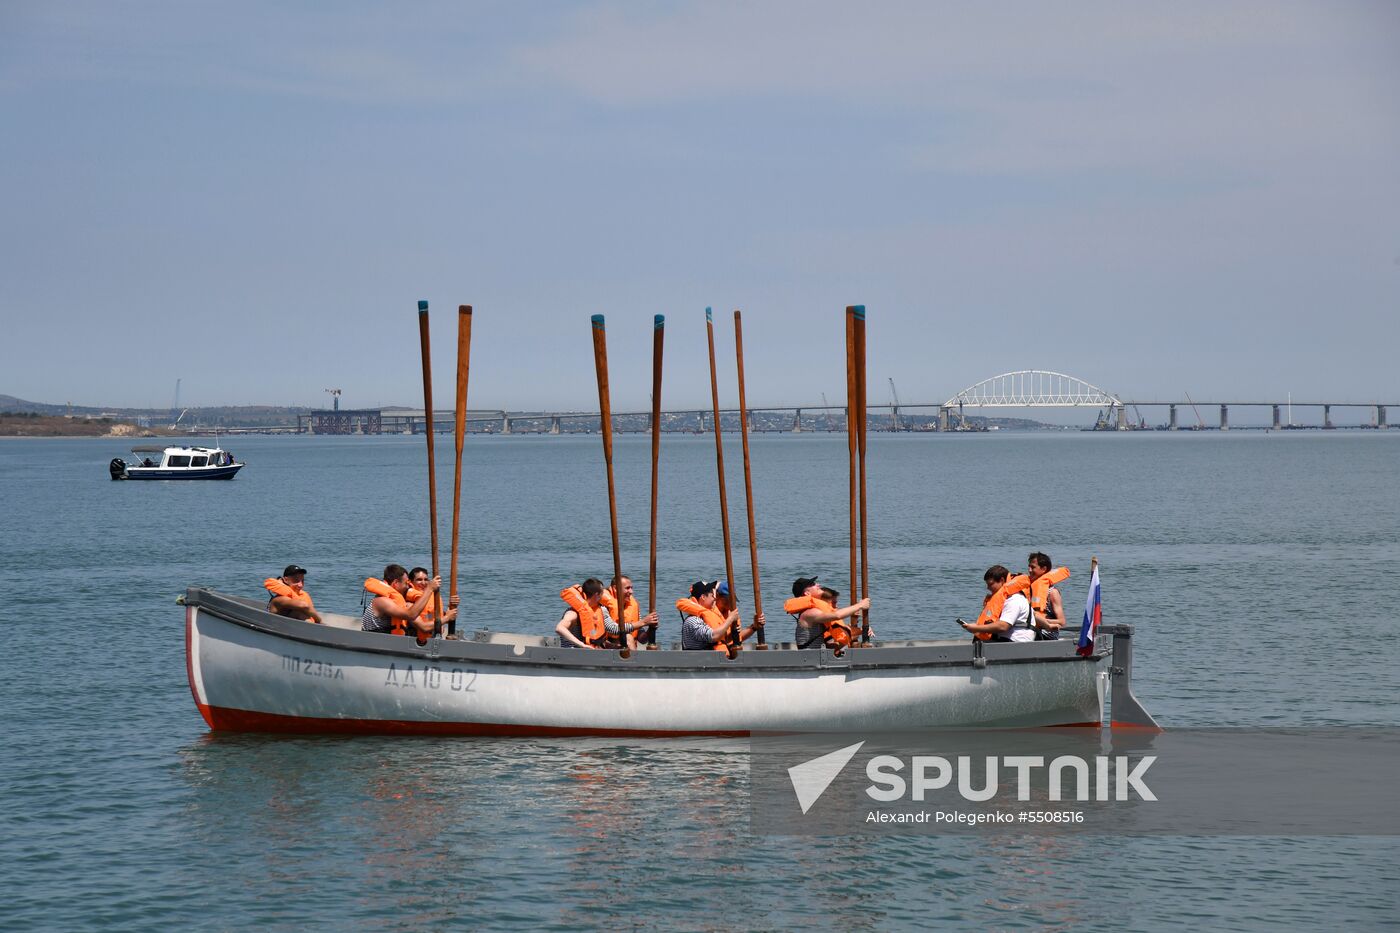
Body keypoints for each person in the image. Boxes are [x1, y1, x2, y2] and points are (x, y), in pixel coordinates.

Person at [558, 578, 649, 649]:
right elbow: (560, 628)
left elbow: (610, 628)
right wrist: (582, 645)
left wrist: (614, 647)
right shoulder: (574, 612)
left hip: (592, 651)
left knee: (626, 640)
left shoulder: (601, 609)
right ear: (597, 595)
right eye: (602, 593)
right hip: (575, 652)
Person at [783, 576, 868, 649]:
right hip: (810, 658)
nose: (818, 584)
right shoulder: (809, 613)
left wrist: (862, 630)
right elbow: (837, 615)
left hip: (818, 656)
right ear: (807, 593)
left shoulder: (815, 611)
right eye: (812, 584)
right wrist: (860, 605)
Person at [676, 580, 764, 650]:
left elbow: (724, 640)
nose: (714, 598)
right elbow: (714, 636)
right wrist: (730, 620)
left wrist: (753, 627)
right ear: (703, 597)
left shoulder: (707, 617)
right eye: (712, 595)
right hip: (701, 664)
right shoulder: (693, 621)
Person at [362, 564, 440, 641]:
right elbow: (411, 615)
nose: (408, 587)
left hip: (386, 641)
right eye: (406, 583)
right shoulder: (382, 601)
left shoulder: (394, 600)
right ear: (396, 583)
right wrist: (429, 589)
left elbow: (424, 616)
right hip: (374, 642)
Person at [960, 565, 1033, 642]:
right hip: (1006, 639)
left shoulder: (1014, 600)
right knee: (978, 642)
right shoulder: (1005, 598)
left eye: (991, 584)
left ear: (1002, 580)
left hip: (1017, 641)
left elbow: (1003, 626)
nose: (988, 588)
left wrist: (975, 628)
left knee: (979, 645)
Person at [601, 576, 660, 647]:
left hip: (629, 647)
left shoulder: (633, 604)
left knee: (629, 638)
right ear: (615, 588)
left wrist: (651, 629)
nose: (631, 592)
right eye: (627, 588)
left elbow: (642, 640)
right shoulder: (603, 606)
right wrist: (643, 622)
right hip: (608, 646)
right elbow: (612, 628)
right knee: (627, 637)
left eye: (632, 588)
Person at [1027, 552, 1070, 640]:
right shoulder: (1028, 589)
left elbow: (1062, 622)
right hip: (1031, 632)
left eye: (1033, 567)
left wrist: (1039, 621)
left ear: (1043, 569)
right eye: (1029, 567)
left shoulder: (1052, 593)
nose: (1029, 570)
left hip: (1046, 636)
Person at [406, 567, 461, 636]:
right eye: (419, 580)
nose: (423, 583)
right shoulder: (409, 604)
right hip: (418, 643)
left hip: (435, 638)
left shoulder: (431, 598)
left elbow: (436, 618)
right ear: (411, 582)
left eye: (426, 579)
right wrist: (447, 618)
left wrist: (451, 606)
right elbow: (424, 627)